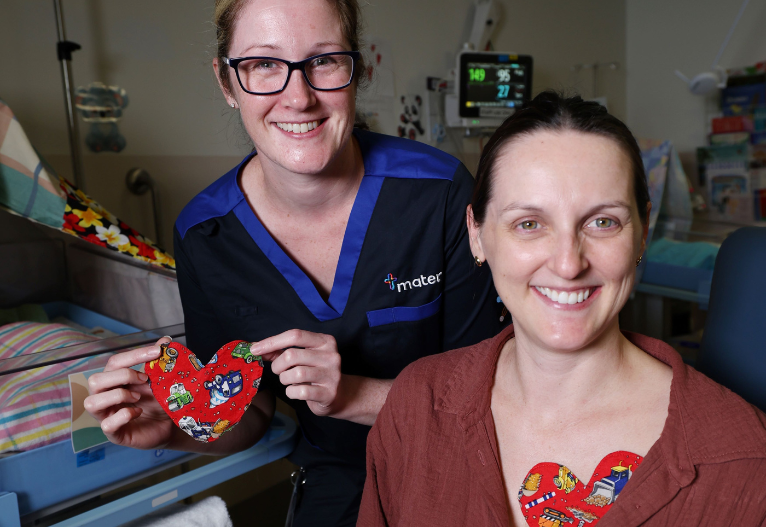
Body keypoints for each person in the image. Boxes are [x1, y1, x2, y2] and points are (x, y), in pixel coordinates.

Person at [83, 0, 504, 525]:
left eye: (323, 60)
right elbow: (250, 410)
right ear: (226, 82)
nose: (299, 97)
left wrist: (352, 395)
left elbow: (489, 394)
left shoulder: (437, 194)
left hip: (462, 459)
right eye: (264, 64)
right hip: (339, 475)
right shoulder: (206, 235)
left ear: (357, 69)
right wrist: (178, 426)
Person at [358, 92, 766, 526]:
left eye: (602, 222)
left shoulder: (745, 463)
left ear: (642, 233)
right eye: (529, 224)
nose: (569, 264)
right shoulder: (415, 407)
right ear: (476, 234)